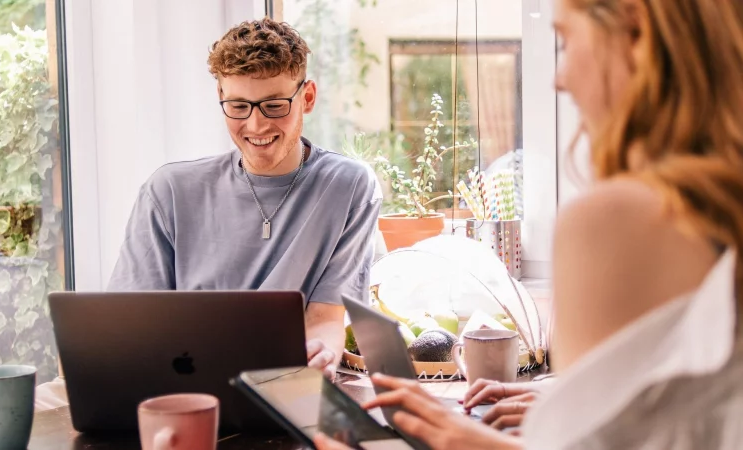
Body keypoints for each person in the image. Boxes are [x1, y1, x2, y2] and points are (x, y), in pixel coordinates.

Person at [315, 0, 743, 448]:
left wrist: (469, 442)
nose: (559, 79)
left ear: (635, 33)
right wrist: (561, 399)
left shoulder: (619, 220)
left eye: (565, 41)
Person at [107, 18, 383, 380]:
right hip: (182, 385)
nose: (255, 126)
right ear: (221, 98)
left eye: (274, 105)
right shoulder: (169, 191)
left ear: (308, 98)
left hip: (285, 385)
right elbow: (131, 325)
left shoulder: (349, 187)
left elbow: (325, 321)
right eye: (238, 107)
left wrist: (322, 355)